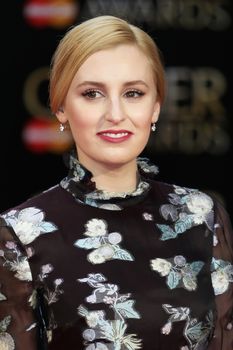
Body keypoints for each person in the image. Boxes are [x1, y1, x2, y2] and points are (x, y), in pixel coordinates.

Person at [0, 15, 232, 350]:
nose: (115, 113)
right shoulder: (21, 233)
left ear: (155, 107)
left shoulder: (201, 216)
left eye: (133, 93)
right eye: (93, 93)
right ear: (61, 106)